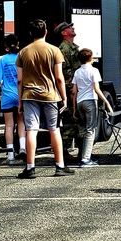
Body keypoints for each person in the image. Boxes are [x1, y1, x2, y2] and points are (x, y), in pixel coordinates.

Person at [16, 19, 74, 178]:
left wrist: (20, 101)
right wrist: (64, 97)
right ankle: (60, 166)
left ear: (30, 33)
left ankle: (30, 167)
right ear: (46, 32)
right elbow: (59, 77)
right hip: (50, 96)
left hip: (29, 96)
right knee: (54, 130)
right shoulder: (55, 50)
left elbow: (20, 80)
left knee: (31, 131)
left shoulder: (23, 52)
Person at [71, 48, 113, 168]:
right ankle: (85, 159)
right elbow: (96, 89)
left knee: (85, 130)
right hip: (90, 101)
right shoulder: (94, 71)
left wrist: (74, 108)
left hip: (79, 102)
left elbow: (74, 92)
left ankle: (83, 155)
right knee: (91, 130)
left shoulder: (77, 72)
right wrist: (107, 103)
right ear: (90, 58)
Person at [0, 34, 25, 165]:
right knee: (22, 123)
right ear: (18, 45)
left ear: (6, 47)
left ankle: (10, 155)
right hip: (20, 95)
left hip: (7, 96)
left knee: (9, 126)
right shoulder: (21, 59)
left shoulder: (2, 60)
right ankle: (23, 147)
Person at [55, 21, 81, 160]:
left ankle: (82, 150)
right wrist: (71, 89)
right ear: (64, 33)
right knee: (69, 121)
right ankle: (64, 151)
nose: (73, 27)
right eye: (69, 27)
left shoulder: (73, 47)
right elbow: (65, 71)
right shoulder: (63, 49)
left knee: (77, 120)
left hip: (76, 89)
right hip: (70, 89)